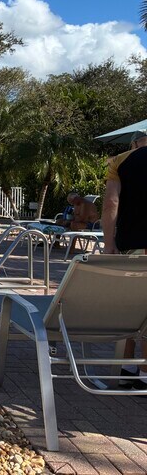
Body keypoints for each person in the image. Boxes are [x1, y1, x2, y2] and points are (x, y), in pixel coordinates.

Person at [102, 129, 147, 390]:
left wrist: (109, 244)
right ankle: (144, 373)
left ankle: (127, 367)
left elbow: (111, 204)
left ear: (136, 142)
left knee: (132, 307)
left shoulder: (122, 161)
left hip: (132, 247)